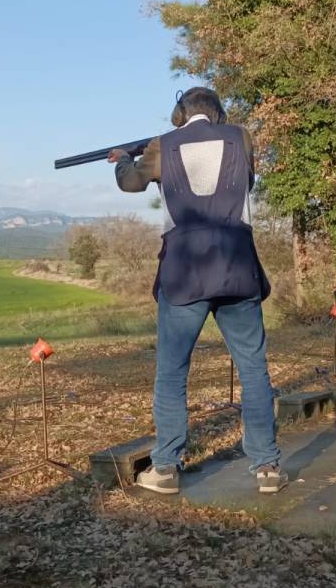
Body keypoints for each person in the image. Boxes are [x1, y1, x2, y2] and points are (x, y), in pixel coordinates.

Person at [108, 87, 285, 494]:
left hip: (184, 273)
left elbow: (132, 184)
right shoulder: (241, 137)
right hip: (238, 268)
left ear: (179, 113)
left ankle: (167, 467)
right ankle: (267, 467)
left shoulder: (161, 145)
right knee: (254, 368)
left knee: (172, 373)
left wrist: (123, 161)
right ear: (218, 113)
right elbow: (247, 181)